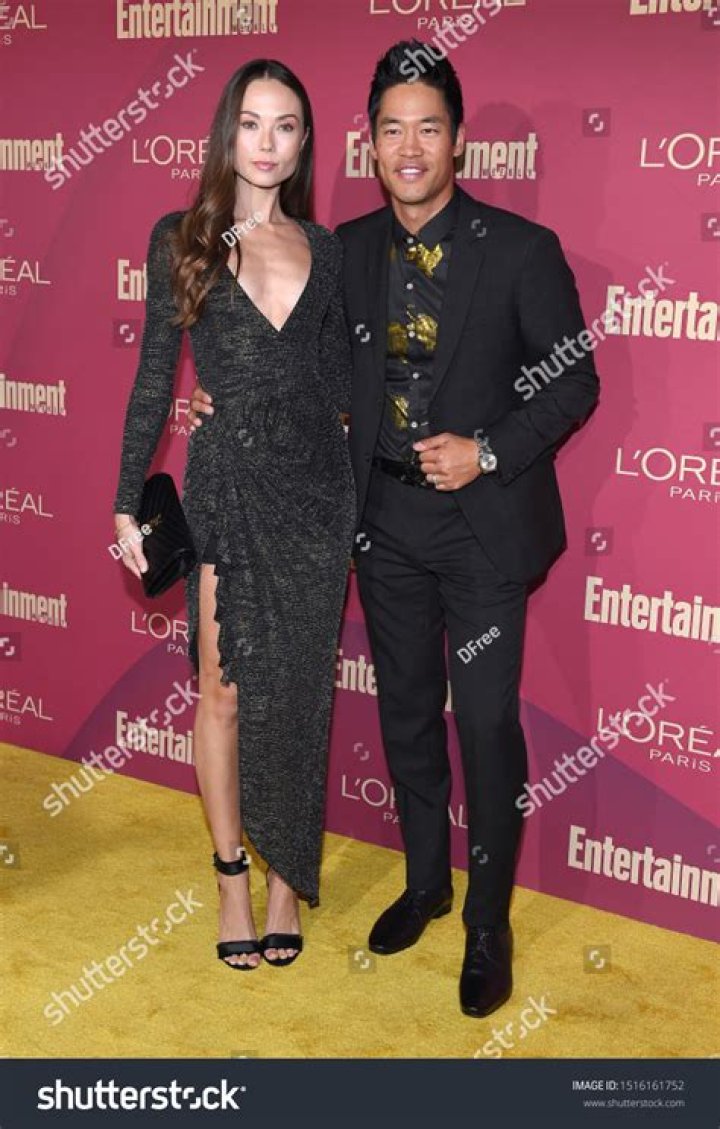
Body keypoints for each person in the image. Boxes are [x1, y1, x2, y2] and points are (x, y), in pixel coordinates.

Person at [189, 41, 598, 1013]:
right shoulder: (347, 252)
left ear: (458, 141)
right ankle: (425, 883)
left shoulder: (523, 250)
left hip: (484, 527)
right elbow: (294, 364)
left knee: (486, 723)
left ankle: (487, 923)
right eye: (391, 129)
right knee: (407, 713)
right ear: (369, 144)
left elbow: (575, 380)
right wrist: (224, 404)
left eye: (428, 128)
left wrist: (487, 449)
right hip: (379, 521)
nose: (409, 147)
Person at [113, 59, 355, 971]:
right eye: (251, 123)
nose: (266, 142)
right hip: (227, 488)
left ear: (303, 142)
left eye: (285, 126)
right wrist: (125, 498)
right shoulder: (181, 239)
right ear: (227, 133)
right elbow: (152, 376)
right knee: (222, 689)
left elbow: (337, 380)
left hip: (314, 497)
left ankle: (288, 875)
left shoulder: (325, 250)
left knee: (299, 693)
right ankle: (231, 878)